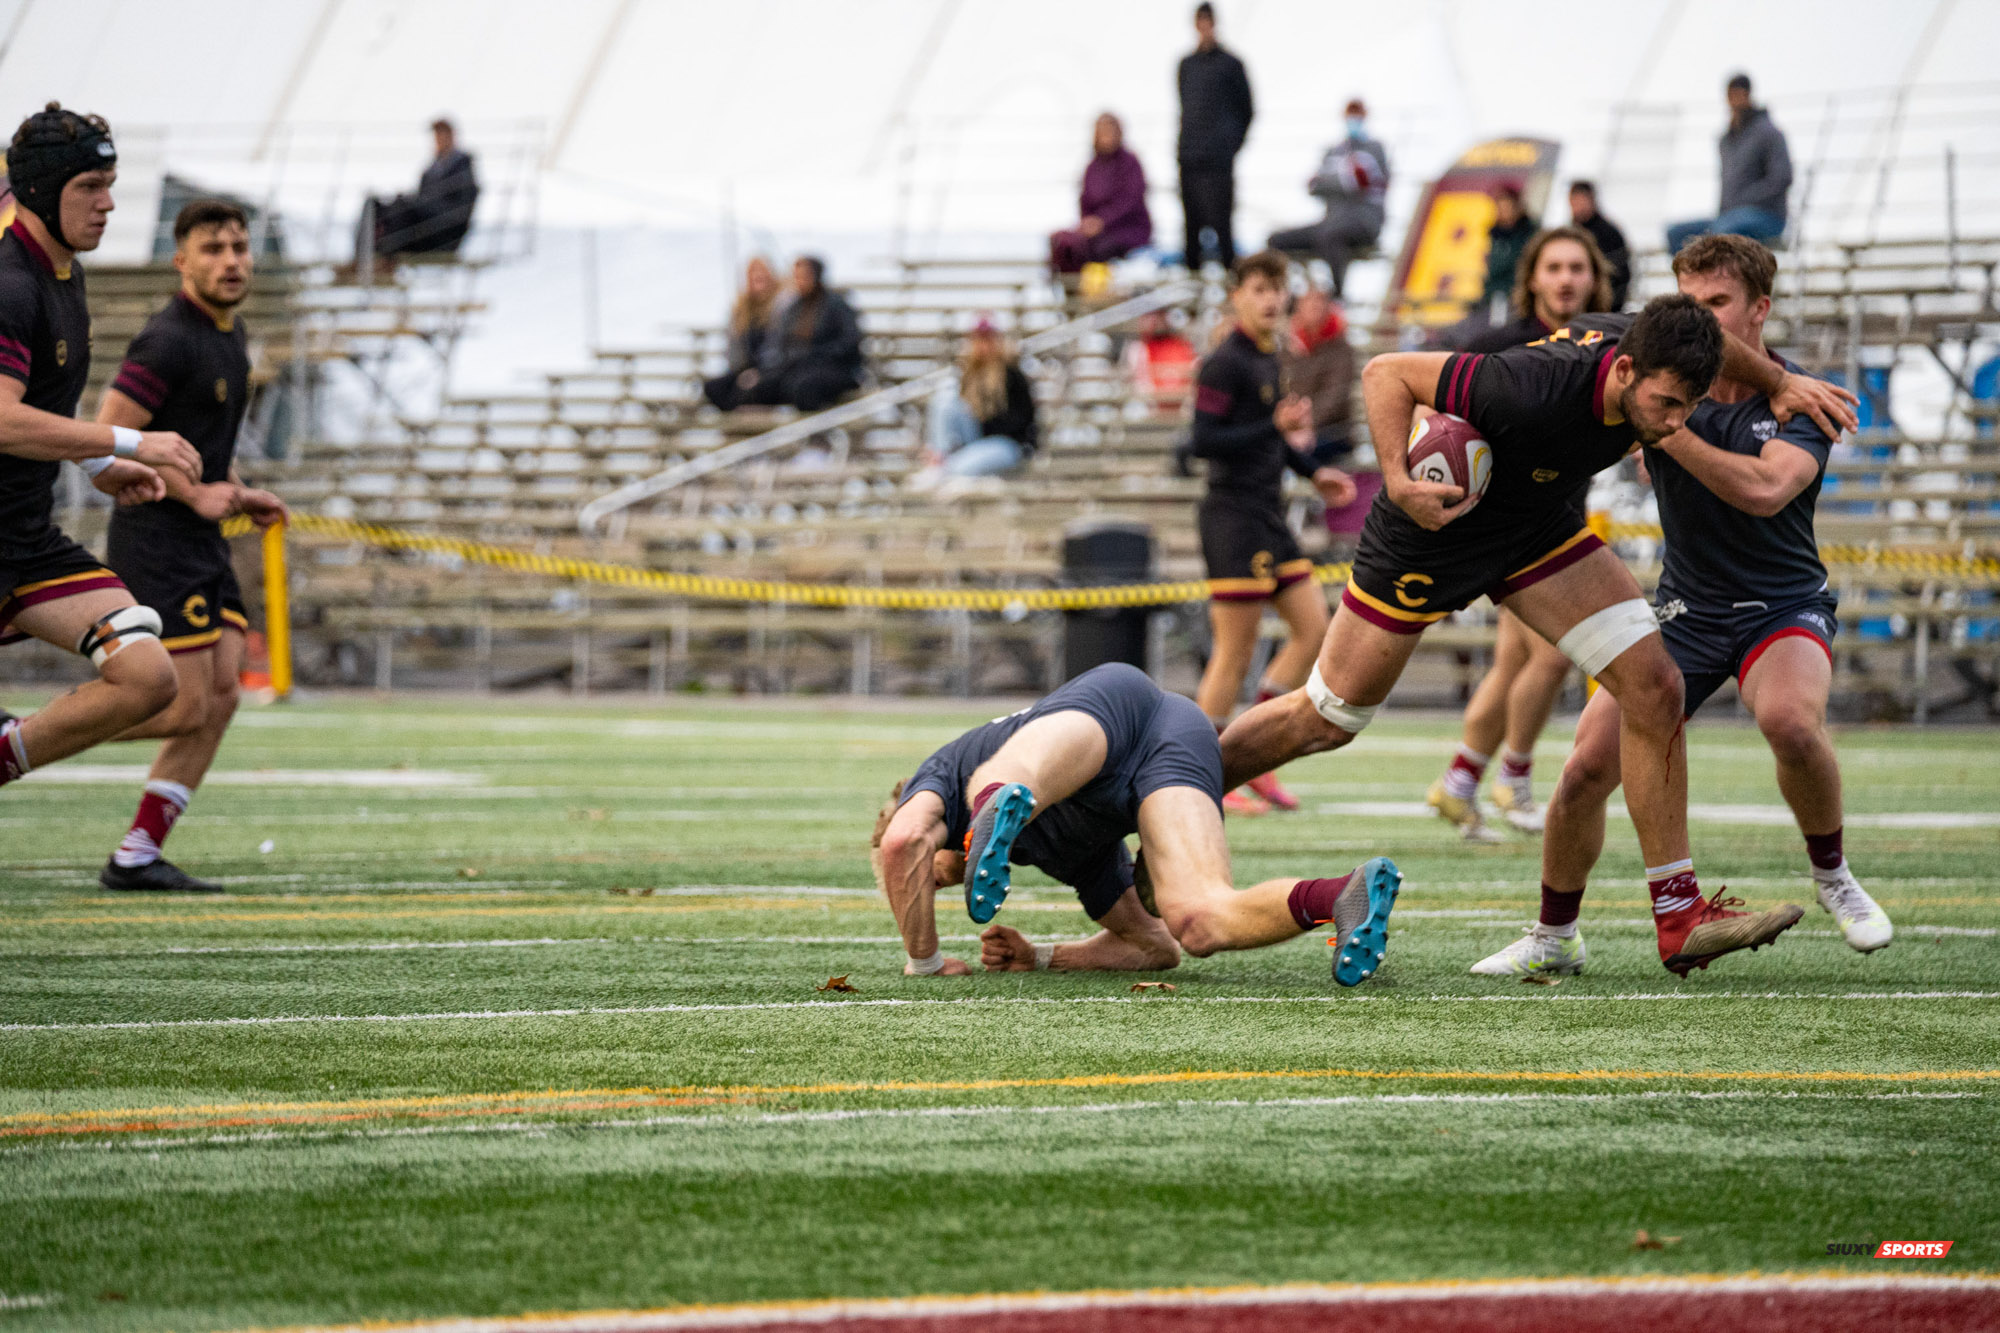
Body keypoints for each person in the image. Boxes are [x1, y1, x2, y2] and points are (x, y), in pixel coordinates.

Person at [1216, 293, 1862, 977]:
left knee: (1654, 684)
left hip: (1530, 528)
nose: (1675, 424)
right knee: (1328, 718)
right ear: (1624, 372)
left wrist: (1780, 380)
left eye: (1687, 406)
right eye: (1667, 404)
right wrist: (1402, 483)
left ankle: (1679, 914)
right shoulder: (1532, 385)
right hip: (1430, 535)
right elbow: (1386, 373)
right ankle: (1185, 783)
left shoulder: (1654, 346)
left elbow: (1713, 338)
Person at [1474, 236, 1892, 977]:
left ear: (1760, 309)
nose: (1702, 320)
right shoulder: (1656, 381)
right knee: (1580, 773)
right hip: (1684, 613)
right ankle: (1554, 935)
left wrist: (1668, 429)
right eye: (1689, 304)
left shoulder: (1797, 396)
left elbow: (1765, 491)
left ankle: (1833, 875)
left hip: (1782, 604)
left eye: (1719, 304)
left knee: (1791, 722)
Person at [871, 663, 1402, 983]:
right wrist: (1042, 957)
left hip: (1113, 707)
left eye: (931, 876)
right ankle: (1337, 897)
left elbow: (902, 841)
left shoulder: (935, 779)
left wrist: (927, 962)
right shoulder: (1077, 857)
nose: (935, 880)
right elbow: (1154, 948)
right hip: (1177, 742)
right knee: (1198, 921)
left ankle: (998, 797)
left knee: (1007, 776)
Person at [0, 104, 204, 814]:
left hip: (23, 540)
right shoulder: (11, 283)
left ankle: (4, 755)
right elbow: (0, 419)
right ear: (42, 189)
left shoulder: (63, 273)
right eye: (91, 185)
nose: (110, 202)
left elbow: (42, 413)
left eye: (111, 182)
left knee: (149, 676)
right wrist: (126, 441)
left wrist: (97, 467)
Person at [92, 200, 289, 893]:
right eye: (213, 248)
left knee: (224, 695)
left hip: (202, 541)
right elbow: (106, 446)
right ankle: (28, 735)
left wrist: (236, 488)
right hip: (157, 543)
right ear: (183, 261)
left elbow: (202, 454)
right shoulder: (168, 339)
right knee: (177, 706)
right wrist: (193, 494)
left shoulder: (230, 337)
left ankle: (139, 853)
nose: (231, 260)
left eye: (239, 247)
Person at [1427, 226, 1616, 839]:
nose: (1566, 278)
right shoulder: (1501, 344)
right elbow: (1429, 399)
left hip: (1562, 522)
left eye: (1577, 268)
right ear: (1532, 276)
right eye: (1554, 266)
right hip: (1511, 526)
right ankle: (1514, 775)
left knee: (1514, 662)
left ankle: (1460, 781)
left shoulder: (1606, 347)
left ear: (1594, 279)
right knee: (1554, 653)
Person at [1188, 251, 1355, 816]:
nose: (1270, 300)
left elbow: (1270, 440)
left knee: (1315, 632)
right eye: (1258, 288)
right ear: (1236, 295)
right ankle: (1205, 774)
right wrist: (1272, 425)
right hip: (1231, 518)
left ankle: (1256, 752)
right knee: (1234, 650)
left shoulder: (1270, 358)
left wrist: (1314, 473)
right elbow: (1202, 441)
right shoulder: (1224, 362)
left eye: (1276, 289)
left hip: (1269, 515)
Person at [706, 256, 864, 413]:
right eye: (797, 277)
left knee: (802, 387)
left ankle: (815, 434)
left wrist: (816, 355)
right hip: (797, 367)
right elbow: (780, 345)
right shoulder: (794, 308)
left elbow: (849, 342)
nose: (800, 281)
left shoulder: (835, 305)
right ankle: (746, 430)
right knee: (757, 387)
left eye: (804, 276)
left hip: (834, 368)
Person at [1267, 99, 1389, 299]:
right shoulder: (1334, 151)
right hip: (1329, 222)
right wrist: (1343, 179)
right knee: (1276, 241)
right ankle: (1288, 298)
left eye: (1357, 114)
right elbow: (1314, 186)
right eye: (1350, 114)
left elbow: (1360, 182)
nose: (1353, 120)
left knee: (1331, 235)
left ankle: (1337, 296)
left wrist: (1332, 181)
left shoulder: (1375, 149)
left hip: (1363, 223)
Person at [1665, 74, 1792, 254]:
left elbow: (1782, 178)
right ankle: (1693, 282)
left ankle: (1726, 282)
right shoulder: (1726, 140)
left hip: (1767, 217)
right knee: (1676, 234)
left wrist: (1744, 200)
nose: (1734, 101)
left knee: (1722, 234)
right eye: (1731, 95)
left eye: (1739, 94)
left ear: (1748, 95)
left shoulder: (1769, 133)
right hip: (1727, 217)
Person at [1176, 3, 1253, 270]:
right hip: (1190, 158)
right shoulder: (1186, 65)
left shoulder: (1231, 64)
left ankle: (1232, 293)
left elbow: (1247, 110)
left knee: (1223, 229)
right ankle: (1193, 299)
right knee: (1190, 231)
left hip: (1218, 161)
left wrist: (1229, 146)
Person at [916, 318, 1037, 481]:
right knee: (943, 401)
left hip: (1008, 444)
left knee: (958, 467)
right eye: (979, 339)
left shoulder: (1012, 374)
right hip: (977, 442)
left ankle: (941, 468)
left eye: (987, 339)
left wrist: (983, 418)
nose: (983, 345)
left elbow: (1021, 421)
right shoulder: (968, 374)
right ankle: (939, 455)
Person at [358, 118, 479, 260]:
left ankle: (382, 258)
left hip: (441, 235)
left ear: (452, 136)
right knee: (373, 204)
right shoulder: (431, 169)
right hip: (420, 227)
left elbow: (458, 212)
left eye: (442, 135)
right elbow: (421, 198)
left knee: (402, 207)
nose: (438, 139)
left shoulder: (462, 167)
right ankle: (363, 259)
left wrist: (419, 204)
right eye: (436, 135)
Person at [1050, 114, 1152, 276]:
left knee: (1100, 249)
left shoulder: (1130, 163)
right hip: (1096, 232)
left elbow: (1130, 201)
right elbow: (1084, 201)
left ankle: (1097, 292)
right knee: (1063, 244)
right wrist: (1087, 224)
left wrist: (1102, 221)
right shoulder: (1092, 167)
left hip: (1126, 231)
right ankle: (1072, 291)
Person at [1279, 281, 1354, 465]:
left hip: (1333, 431)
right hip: (1294, 428)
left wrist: (1306, 424)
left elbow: (1335, 396)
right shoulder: (1290, 346)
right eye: (1309, 302)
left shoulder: (1340, 347)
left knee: (1290, 452)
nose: (1314, 306)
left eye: (1319, 301)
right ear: (1299, 307)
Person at [702, 256, 782, 411]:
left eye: (762, 277)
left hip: (771, 370)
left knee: (749, 390)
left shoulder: (781, 307)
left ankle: (746, 429)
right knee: (714, 388)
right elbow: (733, 348)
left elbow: (778, 348)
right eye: (754, 278)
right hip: (744, 368)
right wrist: (739, 369)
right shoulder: (741, 311)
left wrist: (760, 371)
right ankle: (735, 428)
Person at [1568, 180, 1630, 308]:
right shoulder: (1570, 231)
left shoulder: (1609, 233)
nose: (1576, 206)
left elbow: (1620, 273)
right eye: (1573, 201)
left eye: (1580, 200)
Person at [1480, 185, 1535, 313]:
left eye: (1507, 207)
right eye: (1499, 207)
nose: (1503, 212)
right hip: (1493, 297)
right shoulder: (1495, 235)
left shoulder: (1530, 234)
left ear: (1517, 207)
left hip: (1520, 298)